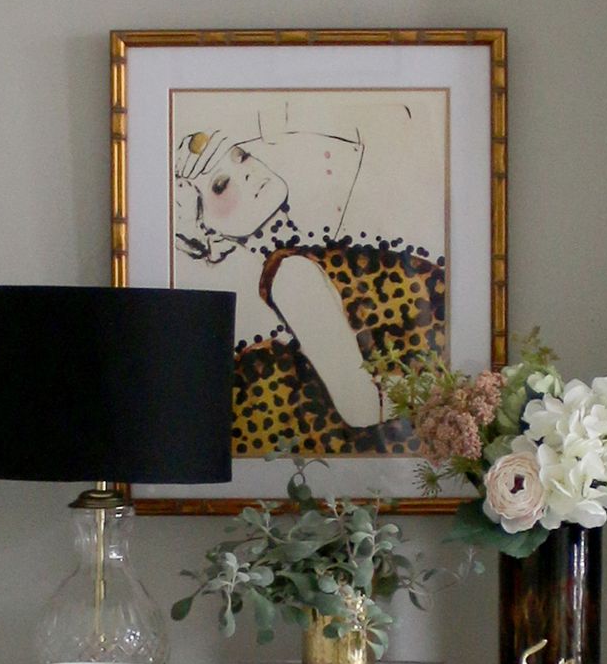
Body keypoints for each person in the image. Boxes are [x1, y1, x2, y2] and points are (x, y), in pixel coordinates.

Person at [173, 114, 445, 458]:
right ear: (207, 229)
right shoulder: (291, 274)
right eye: (221, 185)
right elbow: (362, 407)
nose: (246, 170)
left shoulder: (309, 257)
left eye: (241, 155)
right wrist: (446, 398)